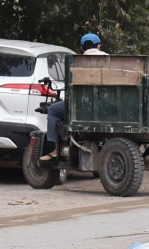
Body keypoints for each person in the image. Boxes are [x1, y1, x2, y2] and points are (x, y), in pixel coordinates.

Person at [41, 33, 105, 161]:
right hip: (104, 105)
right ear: (99, 46)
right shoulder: (108, 59)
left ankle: (55, 149)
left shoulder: (76, 61)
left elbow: (70, 85)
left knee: (53, 110)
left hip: (82, 107)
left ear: (82, 48)